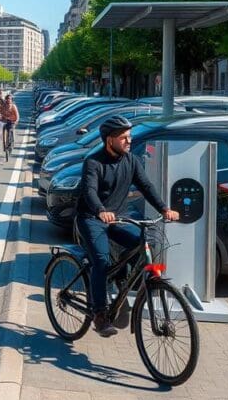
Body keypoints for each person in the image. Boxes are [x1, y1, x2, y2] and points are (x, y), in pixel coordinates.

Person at [76, 115, 179, 338]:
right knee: (101, 260)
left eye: (129, 137)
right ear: (109, 140)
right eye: (123, 138)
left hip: (118, 217)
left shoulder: (131, 161)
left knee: (143, 243)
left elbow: (146, 186)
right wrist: (101, 210)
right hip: (91, 218)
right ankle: (100, 314)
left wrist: (163, 208)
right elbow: (90, 192)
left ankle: (122, 285)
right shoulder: (93, 162)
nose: (128, 141)